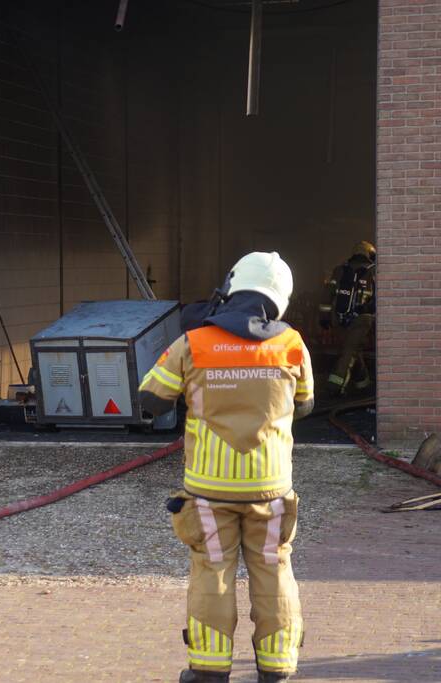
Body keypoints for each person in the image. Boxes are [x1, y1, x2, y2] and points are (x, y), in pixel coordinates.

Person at [139, 252, 314, 683]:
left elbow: (150, 398)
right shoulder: (292, 343)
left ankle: (210, 670)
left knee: (212, 570)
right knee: (273, 566)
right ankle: (277, 667)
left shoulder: (195, 343)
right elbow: (306, 405)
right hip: (271, 488)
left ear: (233, 287)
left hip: (209, 490)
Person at [318, 241, 376, 396]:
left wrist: (324, 317)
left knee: (349, 351)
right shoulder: (375, 272)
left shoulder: (339, 270)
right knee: (350, 352)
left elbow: (327, 294)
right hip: (363, 319)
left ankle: (357, 384)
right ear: (369, 253)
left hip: (339, 318)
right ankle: (335, 388)